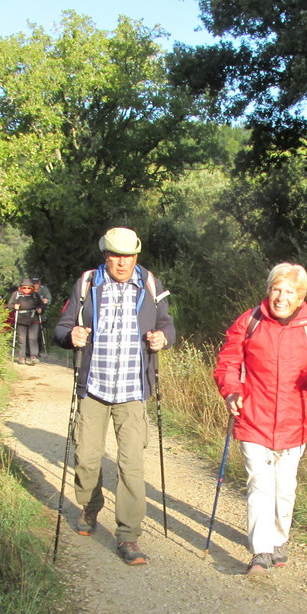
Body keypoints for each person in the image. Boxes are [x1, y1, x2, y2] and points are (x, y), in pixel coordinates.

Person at [53, 227, 176, 566]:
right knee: (87, 459)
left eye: (129, 256)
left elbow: (169, 326)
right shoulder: (87, 284)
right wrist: (71, 336)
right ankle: (90, 507)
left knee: (131, 466)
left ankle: (128, 536)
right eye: (116, 256)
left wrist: (162, 339)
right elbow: (61, 328)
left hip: (133, 390)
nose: (123, 263)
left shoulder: (150, 283)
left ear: (136, 255)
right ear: (105, 255)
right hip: (94, 387)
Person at [213, 262, 307, 574]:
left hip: (294, 422)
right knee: (259, 484)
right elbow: (228, 362)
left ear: (301, 297)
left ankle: (278, 539)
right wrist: (231, 391)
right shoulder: (250, 321)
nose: (281, 297)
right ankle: (261, 550)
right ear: (268, 290)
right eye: (276, 289)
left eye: (289, 292)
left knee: (285, 488)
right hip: (253, 417)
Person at [7, 278, 43, 364]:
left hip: (33, 318)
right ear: (20, 288)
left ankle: (34, 356)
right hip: (20, 319)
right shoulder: (16, 294)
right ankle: (22, 357)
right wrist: (14, 307)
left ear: (32, 288)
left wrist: (41, 309)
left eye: (29, 288)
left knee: (32, 338)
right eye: (24, 288)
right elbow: (9, 305)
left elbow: (42, 304)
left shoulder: (35, 295)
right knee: (22, 339)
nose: (26, 289)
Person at [30, 276, 52, 358]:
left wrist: (46, 301)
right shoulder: (28, 290)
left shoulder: (44, 290)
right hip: (29, 315)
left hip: (40, 314)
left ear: (39, 283)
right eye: (34, 283)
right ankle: (29, 351)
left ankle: (38, 351)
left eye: (36, 283)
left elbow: (49, 300)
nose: (35, 285)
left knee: (38, 334)